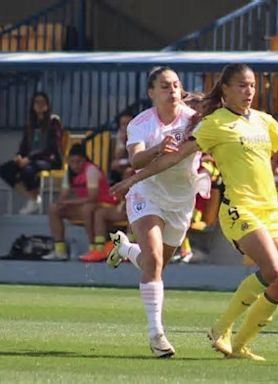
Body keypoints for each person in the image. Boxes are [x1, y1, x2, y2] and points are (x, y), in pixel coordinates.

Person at [109, 63, 278, 361]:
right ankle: (201, 330)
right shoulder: (213, 124)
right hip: (238, 208)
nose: (249, 91)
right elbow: (173, 158)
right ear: (226, 89)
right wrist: (132, 179)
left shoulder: (263, 120)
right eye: (242, 85)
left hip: (268, 209)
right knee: (269, 270)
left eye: (253, 86)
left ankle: (240, 345)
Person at [104, 66, 211, 358]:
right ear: (151, 92)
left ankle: (125, 250)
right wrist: (157, 149)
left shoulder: (195, 120)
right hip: (146, 194)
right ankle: (157, 335)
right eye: (165, 86)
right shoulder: (141, 124)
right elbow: (136, 158)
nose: (172, 90)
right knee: (153, 261)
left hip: (182, 200)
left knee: (158, 264)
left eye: (176, 85)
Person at [43, 143, 117, 261]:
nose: (75, 165)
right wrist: (61, 203)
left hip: (103, 204)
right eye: (72, 162)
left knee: (87, 209)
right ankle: (60, 250)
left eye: (78, 161)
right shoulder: (69, 173)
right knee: (53, 208)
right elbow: (63, 195)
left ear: (84, 160)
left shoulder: (91, 170)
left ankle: (93, 248)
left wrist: (69, 202)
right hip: (84, 205)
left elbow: (93, 197)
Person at [0, 91, 63, 214]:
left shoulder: (53, 122)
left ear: (47, 105)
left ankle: (34, 201)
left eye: (42, 102)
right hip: (29, 159)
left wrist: (30, 158)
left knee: (28, 170)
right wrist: (19, 156)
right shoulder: (30, 124)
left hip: (48, 159)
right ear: (32, 106)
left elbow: (51, 146)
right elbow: (23, 146)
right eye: (36, 102)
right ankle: (33, 198)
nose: (39, 105)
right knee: (5, 169)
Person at [110, 111, 134, 184]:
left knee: (128, 171)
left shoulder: (138, 135)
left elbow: (136, 158)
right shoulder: (119, 136)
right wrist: (123, 143)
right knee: (115, 166)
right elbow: (118, 157)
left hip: (139, 164)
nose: (126, 127)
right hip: (127, 164)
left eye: (128, 123)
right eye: (123, 124)